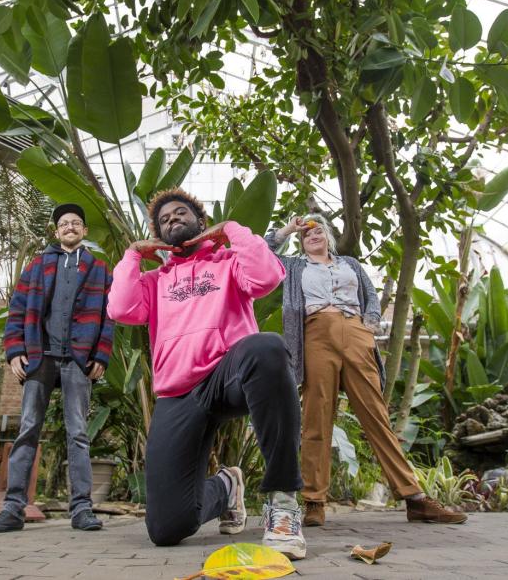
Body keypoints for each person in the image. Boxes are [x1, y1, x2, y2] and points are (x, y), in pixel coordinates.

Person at [107, 188, 307, 560]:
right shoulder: (154, 282)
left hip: (226, 374)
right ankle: (227, 486)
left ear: (201, 222)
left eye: (180, 213)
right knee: (167, 528)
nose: (172, 220)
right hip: (178, 393)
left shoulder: (230, 262)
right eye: (164, 220)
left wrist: (232, 228)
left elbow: (265, 279)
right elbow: (121, 309)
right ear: (160, 237)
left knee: (266, 347)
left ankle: (283, 503)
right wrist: (133, 254)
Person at [267, 214, 467, 527]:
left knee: (375, 414)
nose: (313, 235)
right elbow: (265, 250)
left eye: (319, 230)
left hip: (356, 334)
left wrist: (368, 327)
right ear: (301, 242)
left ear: (329, 236)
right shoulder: (294, 266)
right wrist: (291, 228)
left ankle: (414, 498)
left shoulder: (350, 264)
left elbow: (371, 298)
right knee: (316, 417)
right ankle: (314, 501)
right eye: (307, 234)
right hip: (316, 334)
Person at [0, 203, 114, 533]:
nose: (70, 227)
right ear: (56, 232)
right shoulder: (38, 265)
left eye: (76, 223)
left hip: (78, 359)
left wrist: (101, 355)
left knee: (78, 433)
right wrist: (13, 352)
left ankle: (81, 509)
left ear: (83, 231)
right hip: (40, 356)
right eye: (64, 223)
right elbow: (17, 309)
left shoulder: (98, 268)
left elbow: (109, 315)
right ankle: (12, 509)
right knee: (28, 430)